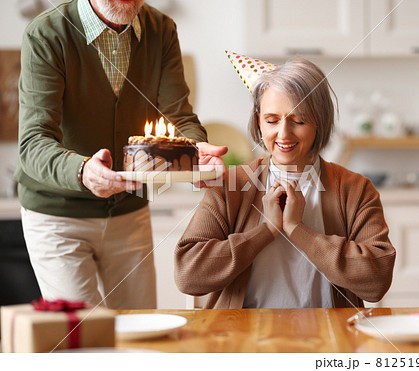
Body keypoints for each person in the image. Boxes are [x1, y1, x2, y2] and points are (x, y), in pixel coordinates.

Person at [15, 0, 226, 309]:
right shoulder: (47, 33)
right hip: (58, 217)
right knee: (87, 340)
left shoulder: (161, 30)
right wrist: (83, 170)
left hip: (129, 212)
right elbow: (33, 142)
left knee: (139, 333)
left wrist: (195, 150)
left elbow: (179, 118)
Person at [175, 56, 396, 309]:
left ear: (320, 122)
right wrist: (266, 231)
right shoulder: (232, 184)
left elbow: (377, 282)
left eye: (299, 120)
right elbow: (187, 275)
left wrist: (296, 228)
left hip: (330, 338)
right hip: (244, 339)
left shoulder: (355, 189)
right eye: (271, 120)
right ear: (258, 120)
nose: (283, 133)